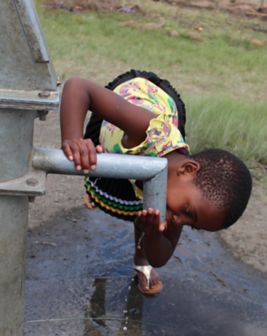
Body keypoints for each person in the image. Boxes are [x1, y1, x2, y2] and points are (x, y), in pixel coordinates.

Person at [60, 69, 252, 295]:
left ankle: (140, 261)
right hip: (128, 107)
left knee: (148, 215)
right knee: (96, 168)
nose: (179, 220)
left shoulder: (181, 203)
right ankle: (94, 193)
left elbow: (162, 256)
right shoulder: (146, 130)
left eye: (190, 223)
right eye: (187, 212)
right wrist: (73, 139)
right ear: (188, 169)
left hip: (159, 149)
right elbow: (77, 87)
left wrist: (152, 235)